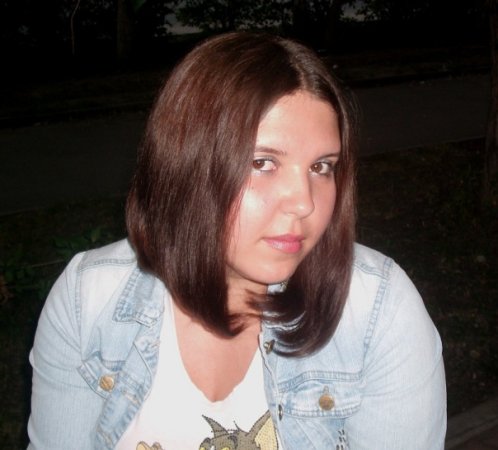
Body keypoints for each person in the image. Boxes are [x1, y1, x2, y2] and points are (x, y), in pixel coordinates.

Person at [27, 32, 446, 450]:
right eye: (262, 162)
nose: (303, 203)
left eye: (321, 167)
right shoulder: (90, 302)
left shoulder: (376, 310)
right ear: (187, 164)